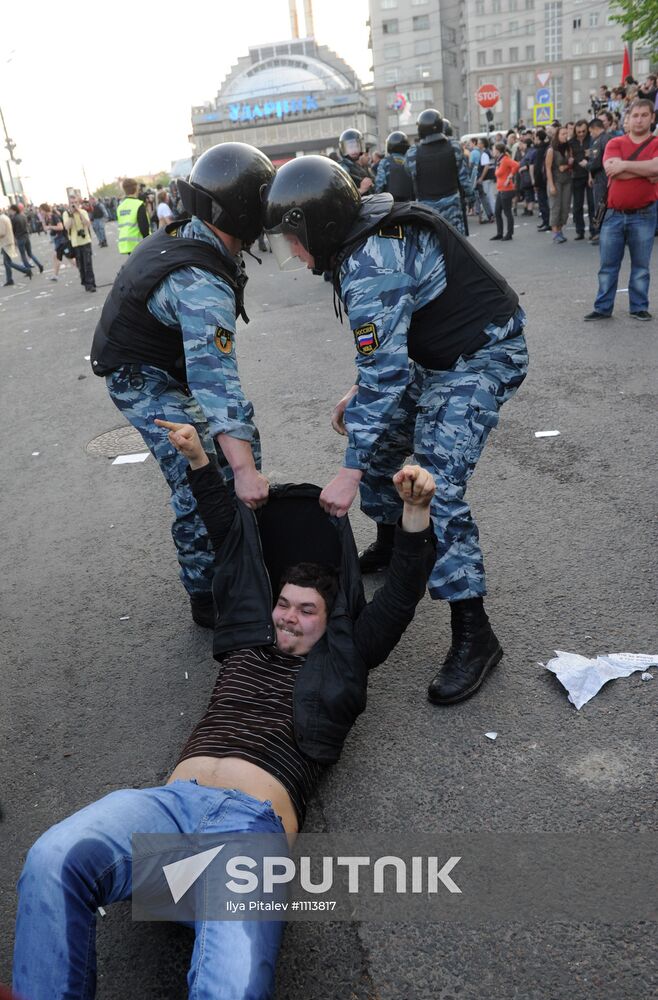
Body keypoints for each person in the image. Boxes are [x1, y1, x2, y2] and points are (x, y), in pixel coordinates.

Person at [13, 421, 436, 1000]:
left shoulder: (350, 657)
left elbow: (404, 589)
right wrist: (196, 459)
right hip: (166, 814)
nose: (288, 615)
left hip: (248, 833)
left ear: (331, 617)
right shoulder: (245, 638)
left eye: (305, 610)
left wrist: (415, 512)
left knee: (233, 981)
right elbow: (226, 536)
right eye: (283, 604)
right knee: (53, 857)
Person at [263, 156, 529, 705]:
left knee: (432, 486)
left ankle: (475, 633)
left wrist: (347, 473)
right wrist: (361, 393)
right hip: (435, 356)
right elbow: (385, 356)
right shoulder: (362, 238)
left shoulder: (369, 262)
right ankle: (392, 542)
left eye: (294, 236)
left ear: (319, 224)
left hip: (481, 355)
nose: (293, 250)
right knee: (381, 437)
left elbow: (384, 368)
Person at [90, 142, 276, 628]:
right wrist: (242, 471)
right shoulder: (199, 281)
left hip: (166, 364)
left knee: (240, 444)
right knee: (200, 472)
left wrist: (245, 459)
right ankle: (206, 592)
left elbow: (216, 383)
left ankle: (239, 546)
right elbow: (215, 381)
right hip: (140, 377)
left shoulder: (199, 238)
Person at [584, 99, 658, 322]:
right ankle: (602, 307)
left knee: (641, 266)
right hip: (613, 214)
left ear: (652, 117)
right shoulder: (614, 142)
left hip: (645, 213)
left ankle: (639, 307)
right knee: (607, 265)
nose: (639, 119)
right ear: (628, 118)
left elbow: (655, 168)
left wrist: (624, 165)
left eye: (644, 115)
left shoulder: (655, 143)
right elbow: (611, 170)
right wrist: (646, 170)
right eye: (635, 115)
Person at [404, 108, 473, 235]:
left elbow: (410, 174)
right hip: (452, 205)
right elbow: (464, 179)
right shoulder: (454, 147)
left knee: (431, 245)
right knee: (457, 243)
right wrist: (471, 197)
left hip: (427, 209)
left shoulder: (412, 153)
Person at [545, 125, 573, 244]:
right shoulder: (552, 150)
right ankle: (555, 232)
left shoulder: (568, 148)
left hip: (567, 180)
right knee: (555, 206)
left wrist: (568, 165)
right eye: (563, 134)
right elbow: (548, 168)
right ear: (557, 135)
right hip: (555, 180)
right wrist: (551, 185)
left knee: (565, 207)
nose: (565, 136)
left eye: (567, 134)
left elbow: (570, 164)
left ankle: (560, 230)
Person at [63, 197, 97, 291]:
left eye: (75, 202)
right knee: (81, 265)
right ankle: (85, 282)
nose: (73, 204)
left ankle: (91, 283)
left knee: (88, 263)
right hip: (75, 242)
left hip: (85, 240)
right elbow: (67, 226)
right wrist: (71, 215)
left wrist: (79, 212)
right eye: (71, 203)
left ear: (78, 203)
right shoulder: (66, 214)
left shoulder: (83, 212)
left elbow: (87, 223)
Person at [586, 118, 611, 243]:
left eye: (591, 132)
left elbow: (595, 162)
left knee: (601, 207)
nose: (591, 134)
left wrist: (586, 164)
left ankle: (602, 235)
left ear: (596, 128)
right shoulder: (609, 138)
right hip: (608, 177)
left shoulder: (599, 141)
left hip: (601, 177)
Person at [570, 119, 595, 241]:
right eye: (578, 131)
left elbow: (596, 154)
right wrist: (570, 160)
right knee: (577, 205)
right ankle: (579, 231)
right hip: (576, 175)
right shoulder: (571, 142)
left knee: (592, 204)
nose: (581, 134)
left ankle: (593, 230)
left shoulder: (591, 139)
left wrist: (591, 154)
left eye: (583, 131)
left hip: (589, 174)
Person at [490, 142, 519, 241]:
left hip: (507, 189)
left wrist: (510, 177)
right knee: (497, 212)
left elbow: (516, 165)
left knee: (507, 212)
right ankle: (499, 233)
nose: (492, 151)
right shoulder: (499, 160)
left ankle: (509, 234)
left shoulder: (505, 159)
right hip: (500, 189)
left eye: (493, 149)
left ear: (497, 151)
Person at [374, 130, 414, 201]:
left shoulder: (385, 162)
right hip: (409, 203)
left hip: (390, 204)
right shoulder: (410, 161)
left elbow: (379, 184)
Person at [116, 177, 150, 254]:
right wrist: (149, 243)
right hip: (139, 244)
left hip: (127, 244)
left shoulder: (120, 207)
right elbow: (144, 228)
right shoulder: (138, 204)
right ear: (135, 188)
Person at [0, 209, 33, 286]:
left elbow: (2, 232)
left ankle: (26, 270)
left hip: (6, 242)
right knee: (6, 262)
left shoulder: (1, 219)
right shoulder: (5, 217)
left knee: (8, 262)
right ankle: (9, 279)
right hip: (8, 241)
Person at [8, 204, 43, 273]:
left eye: (10, 210)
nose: (10, 212)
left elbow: (12, 230)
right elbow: (27, 226)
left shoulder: (14, 218)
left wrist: (14, 239)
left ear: (13, 210)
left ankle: (28, 270)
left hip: (20, 238)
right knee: (30, 253)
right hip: (26, 236)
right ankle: (39, 265)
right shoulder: (23, 216)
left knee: (23, 255)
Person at [337, 128, 374, 195]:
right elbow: (341, 195)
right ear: (343, 148)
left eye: (356, 146)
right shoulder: (343, 167)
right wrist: (361, 190)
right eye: (350, 147)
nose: (354, 150)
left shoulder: (356, 165)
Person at [476, 137, 496, 223]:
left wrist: (481, 178)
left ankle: (490, 214)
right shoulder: (489, 152)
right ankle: (494, 213)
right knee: (491, 196)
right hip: (491, 177)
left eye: (479, 142)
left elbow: (486, 166)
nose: (478, 144)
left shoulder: (484, 154)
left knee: (487, 197)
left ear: (483, 144)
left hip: (486, 178)